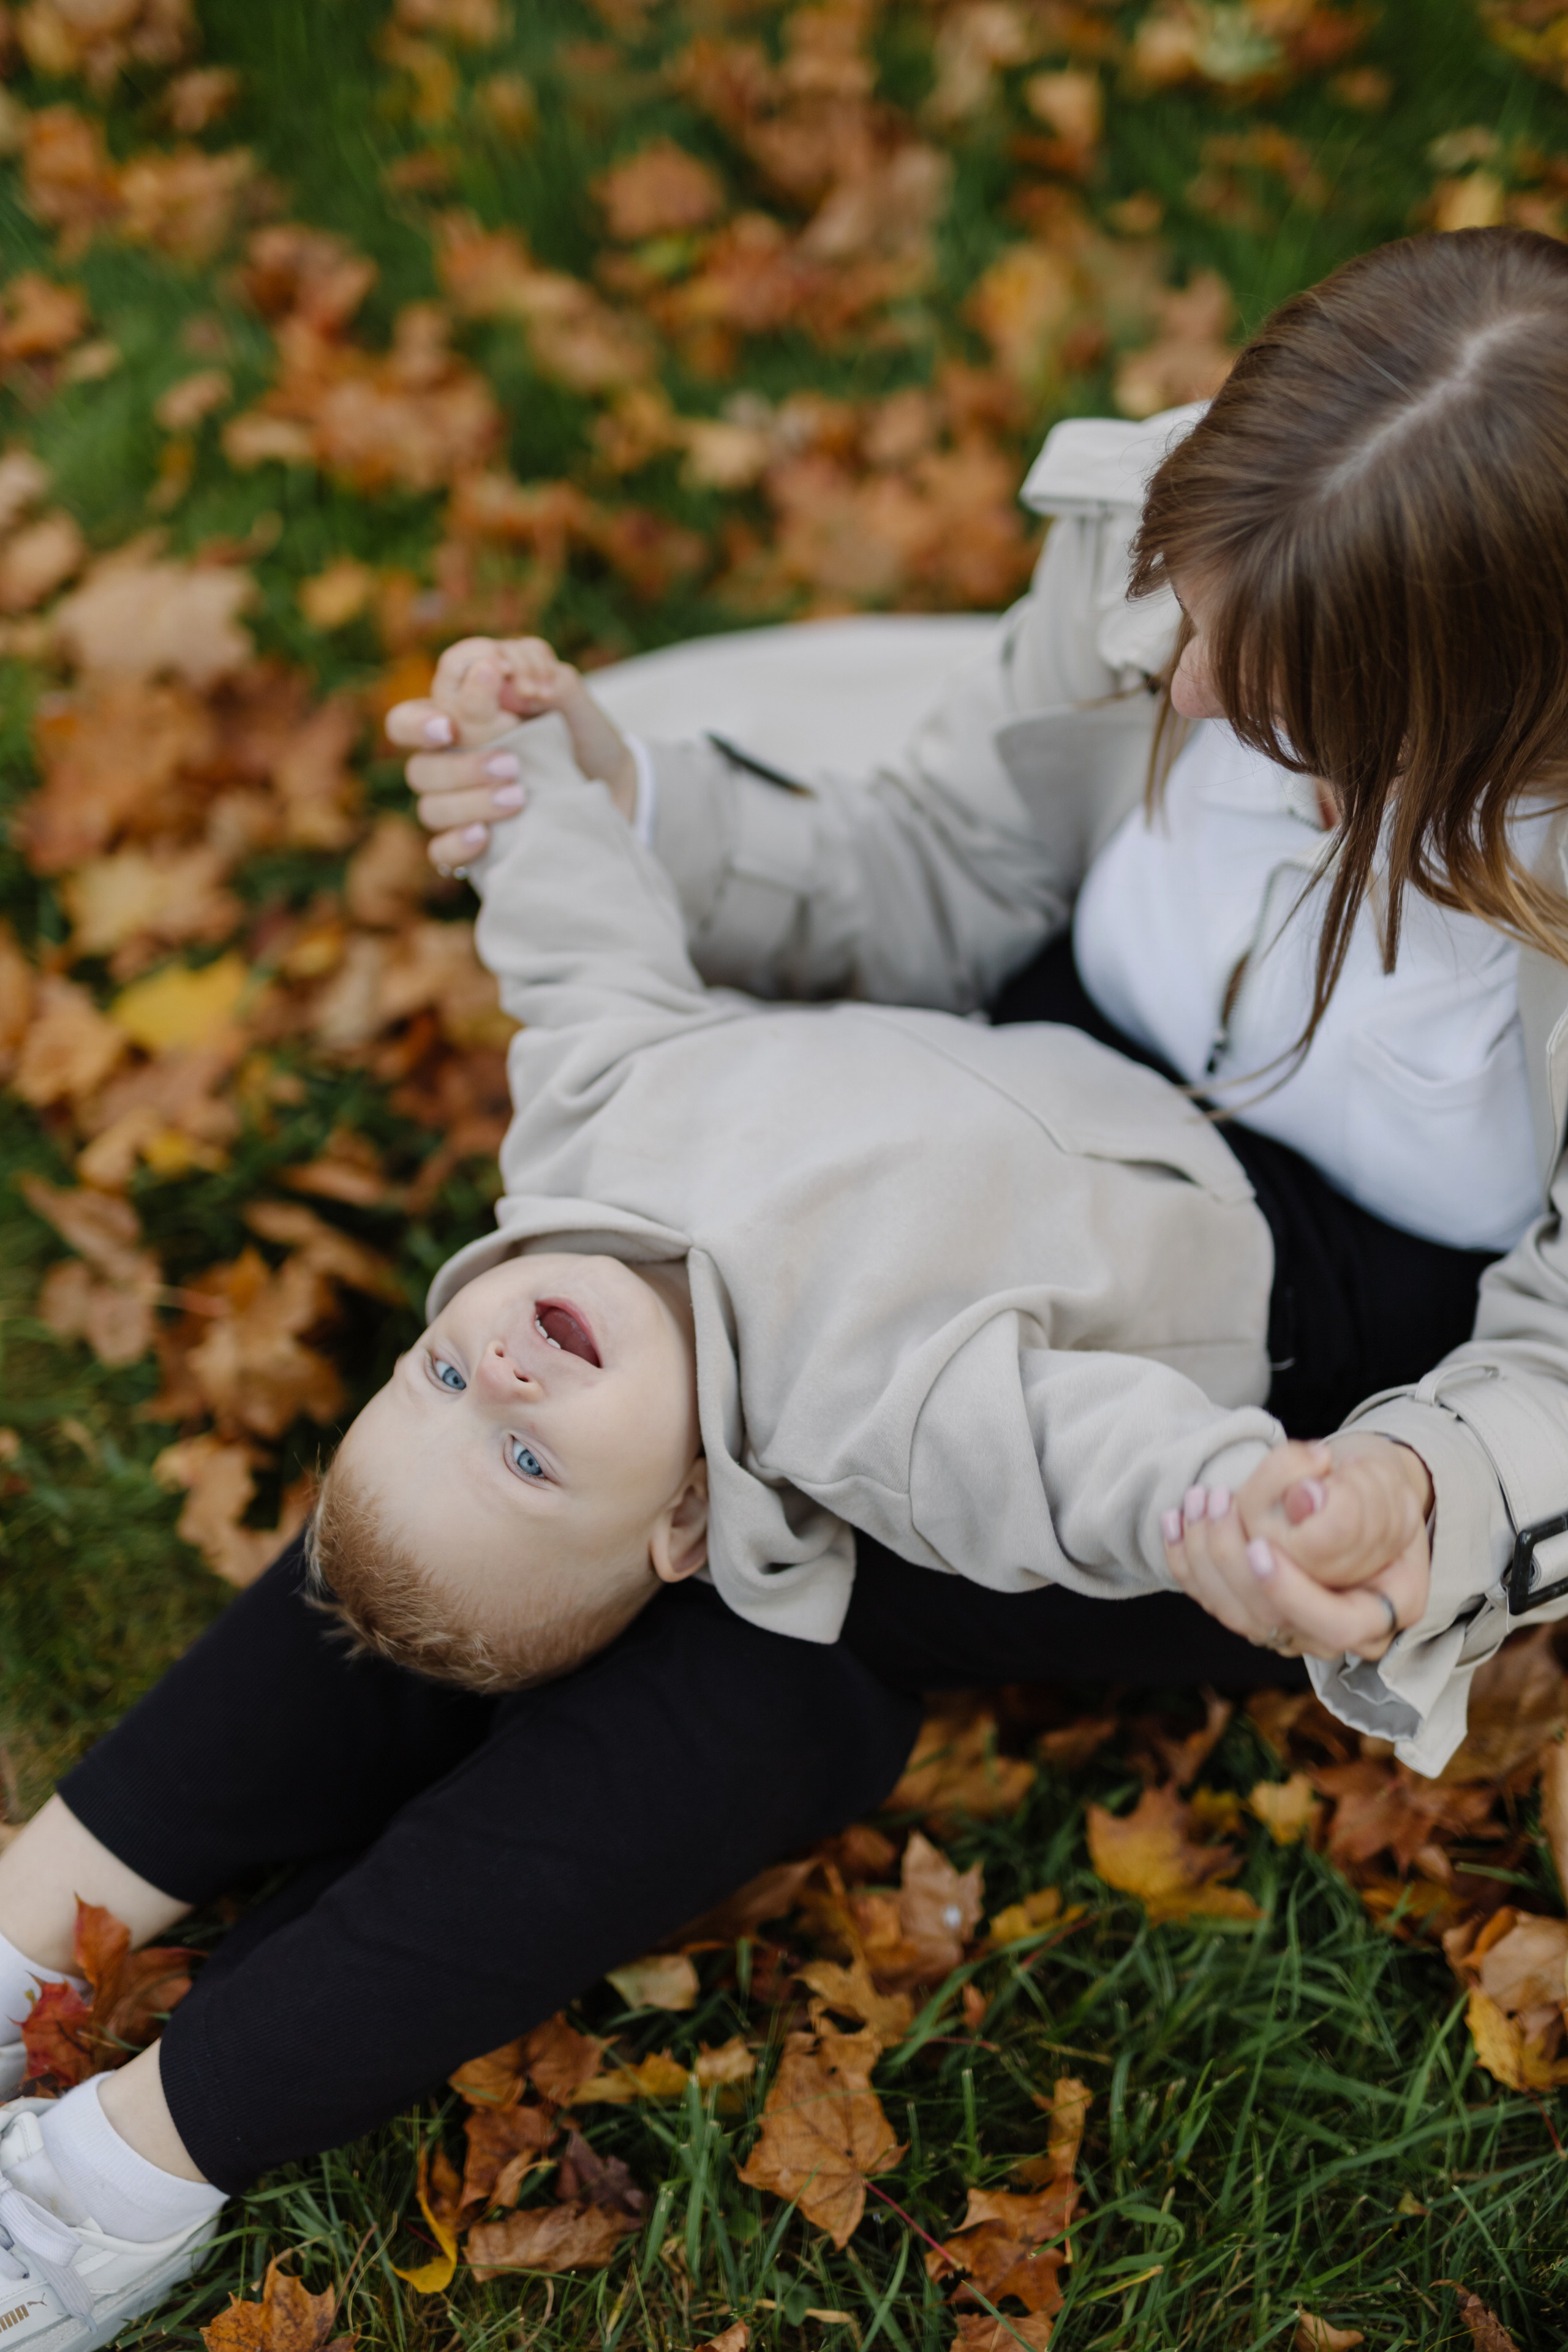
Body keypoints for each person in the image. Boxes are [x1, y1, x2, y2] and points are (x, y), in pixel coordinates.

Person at [2, 225, 1567, 2345]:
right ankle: (45, 1922)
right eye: (1189, 623)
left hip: (1236, 1351)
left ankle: (132, 2161)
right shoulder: (1193, 559)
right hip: (969, 1090)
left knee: (743, 1598)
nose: (1184, 692)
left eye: (1271, 705)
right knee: (541, 1390)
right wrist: (619, 813)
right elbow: (943, 863)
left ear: (1487, 735)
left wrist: (1412, 1505)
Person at [315, 631, 1428, 1698]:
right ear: (690, 1517)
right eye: (526, 1464)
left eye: (444, 1377)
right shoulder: (865, 1426)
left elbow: (574, 948)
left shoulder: (584, 1129)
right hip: (1266, 1248)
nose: (504, 1381)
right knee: (1447, 1265)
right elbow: (1070, 1458)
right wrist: (1224, 1493)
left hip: (1080, 1047)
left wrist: (515, 762)